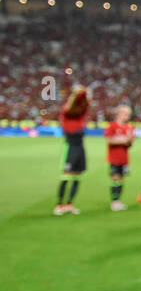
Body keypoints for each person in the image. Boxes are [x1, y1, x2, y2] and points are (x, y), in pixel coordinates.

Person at [55, 85, 89, 215]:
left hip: (80, 148)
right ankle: (59, 204)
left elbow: (85, 104)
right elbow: (69, 107)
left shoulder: (80, 116)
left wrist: (84, 92)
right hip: (70, 147)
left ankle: (69, 203)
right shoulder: (66, 115)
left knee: (77, 177)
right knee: (66, 176)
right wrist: (75, 94)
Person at [103, 104, 135, 211]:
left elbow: (130, 144)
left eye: (128, 114)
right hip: (114, 158)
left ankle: (118, 201)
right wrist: (123, 140)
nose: (127, 116)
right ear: (119, 114)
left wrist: (130, 139)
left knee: (121, 180)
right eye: (125, 114)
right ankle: (114, 202)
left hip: (124, 159)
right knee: (115, 179)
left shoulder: (129, 127)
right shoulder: (113, 126)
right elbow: (109, 140)